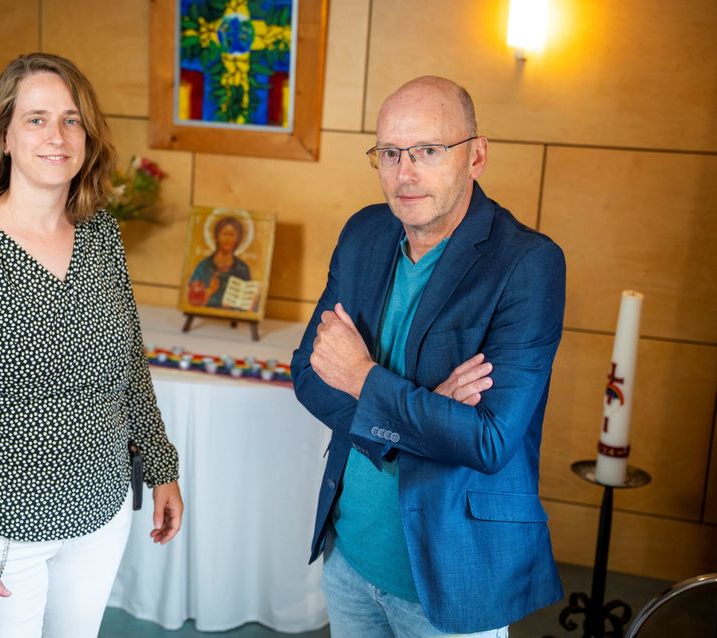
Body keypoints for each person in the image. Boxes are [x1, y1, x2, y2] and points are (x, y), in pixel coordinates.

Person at [0, 52, 183, 638]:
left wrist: (162, 467)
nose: (56, 136)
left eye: (70, 120)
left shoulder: (100, 235)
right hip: (4, 531)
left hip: (101, 512)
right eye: (36, 119)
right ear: (3, 136)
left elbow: (130, 364)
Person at [290, 75, 565, 637]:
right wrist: (412, 413)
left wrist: (363, 377)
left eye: (429, 150)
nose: (404, 173)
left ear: (476, 155)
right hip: (350, 555)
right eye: (389, 153)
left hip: (448, 576)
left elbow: (488, 440)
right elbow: (308, 373)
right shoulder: (364, 233)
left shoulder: (527, 263)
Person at [186, 216, 252, 308]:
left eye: (232, 235)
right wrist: (210, 291)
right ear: (217, 237)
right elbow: (193, 301)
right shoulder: (204, 266)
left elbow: (246, 301)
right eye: (224, 234)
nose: (228, 239)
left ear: (238, 239)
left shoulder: (242, 269)